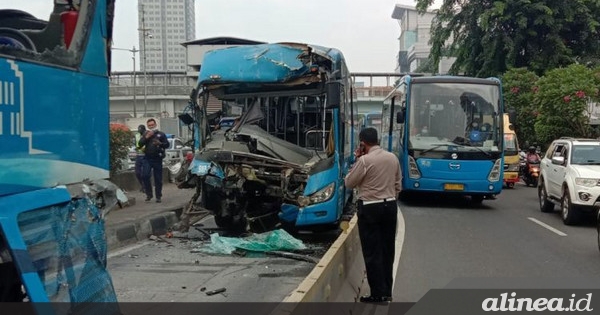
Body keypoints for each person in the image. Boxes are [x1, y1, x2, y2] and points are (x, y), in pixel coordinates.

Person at [344, 127, 402, 304]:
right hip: (390, 206)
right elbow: (398, 184)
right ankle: (387, 290)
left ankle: (377, 294)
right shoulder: (392, 158)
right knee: (387, 250)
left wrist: (357, 159)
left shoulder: (364, 161)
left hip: (370, 208)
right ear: (377, 140)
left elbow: (349, 183)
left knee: (372, 252)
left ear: (362, 143)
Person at [138, 118, 169, 203]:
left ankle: (158, 196)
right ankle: (149, 194)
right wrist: (146, 137)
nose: (151, 126)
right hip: (148, 158)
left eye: (152, 125)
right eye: (149, 125)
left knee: (158, 179)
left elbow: (167, 145)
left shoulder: (161, 134)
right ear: (147, 126)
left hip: (157, 158)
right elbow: (140, 144)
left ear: (155, 125)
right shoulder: (145, 134)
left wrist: (160, 144)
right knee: (145, 176)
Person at [134, 125, 146, 193]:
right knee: (137, 173)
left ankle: (145, 187)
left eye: (140, 129)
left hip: (145, 156)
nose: (139, 130)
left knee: (144, 173)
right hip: (138, 155)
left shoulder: (147, 134)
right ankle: (143, 185)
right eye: (138, 129)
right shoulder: (136, 135)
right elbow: (136, 144)